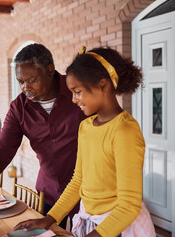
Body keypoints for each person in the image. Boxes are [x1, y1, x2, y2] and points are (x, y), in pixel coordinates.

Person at [14, 47, 156, 237]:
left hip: (117, 229)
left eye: (78, 92)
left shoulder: (124, 131)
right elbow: (78, 181)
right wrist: (48, 219)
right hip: (91, 223)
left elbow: (129, 206)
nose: (73, 100)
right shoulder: (86, 126)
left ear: (103, 85)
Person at [0, 43, 86, 229]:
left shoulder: (78, 93)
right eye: (20, 81)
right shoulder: (19, 108)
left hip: (87, 193)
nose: (25, 87)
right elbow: (2, 150)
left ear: (49, 70)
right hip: (48, 193)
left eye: (31, 80)